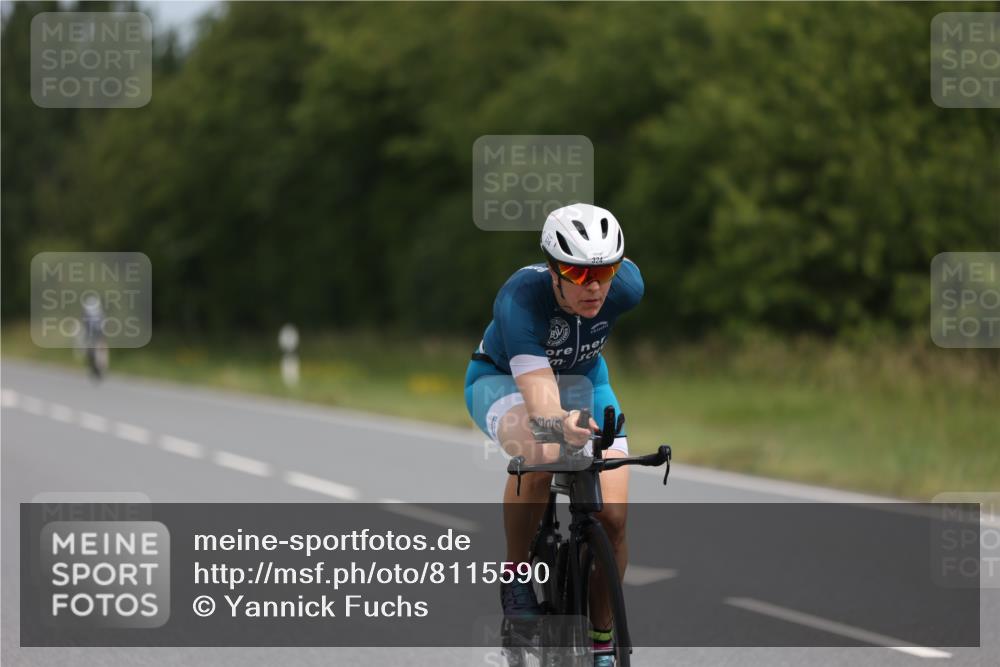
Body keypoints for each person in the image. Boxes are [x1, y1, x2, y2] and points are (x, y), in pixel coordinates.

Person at [464, 203, 643, 666]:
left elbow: (578, 391)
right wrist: (562, 424)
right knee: (544, 453)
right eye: (578, 273)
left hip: (586, 380)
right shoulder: (520, 299)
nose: (595, 286)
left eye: (605, 271)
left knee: (614, 518)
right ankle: (516, 571)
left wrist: (579, 420)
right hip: (501, 382)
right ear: (552, 270)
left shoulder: (628, 288)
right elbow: (542, 404)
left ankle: (602, 639)